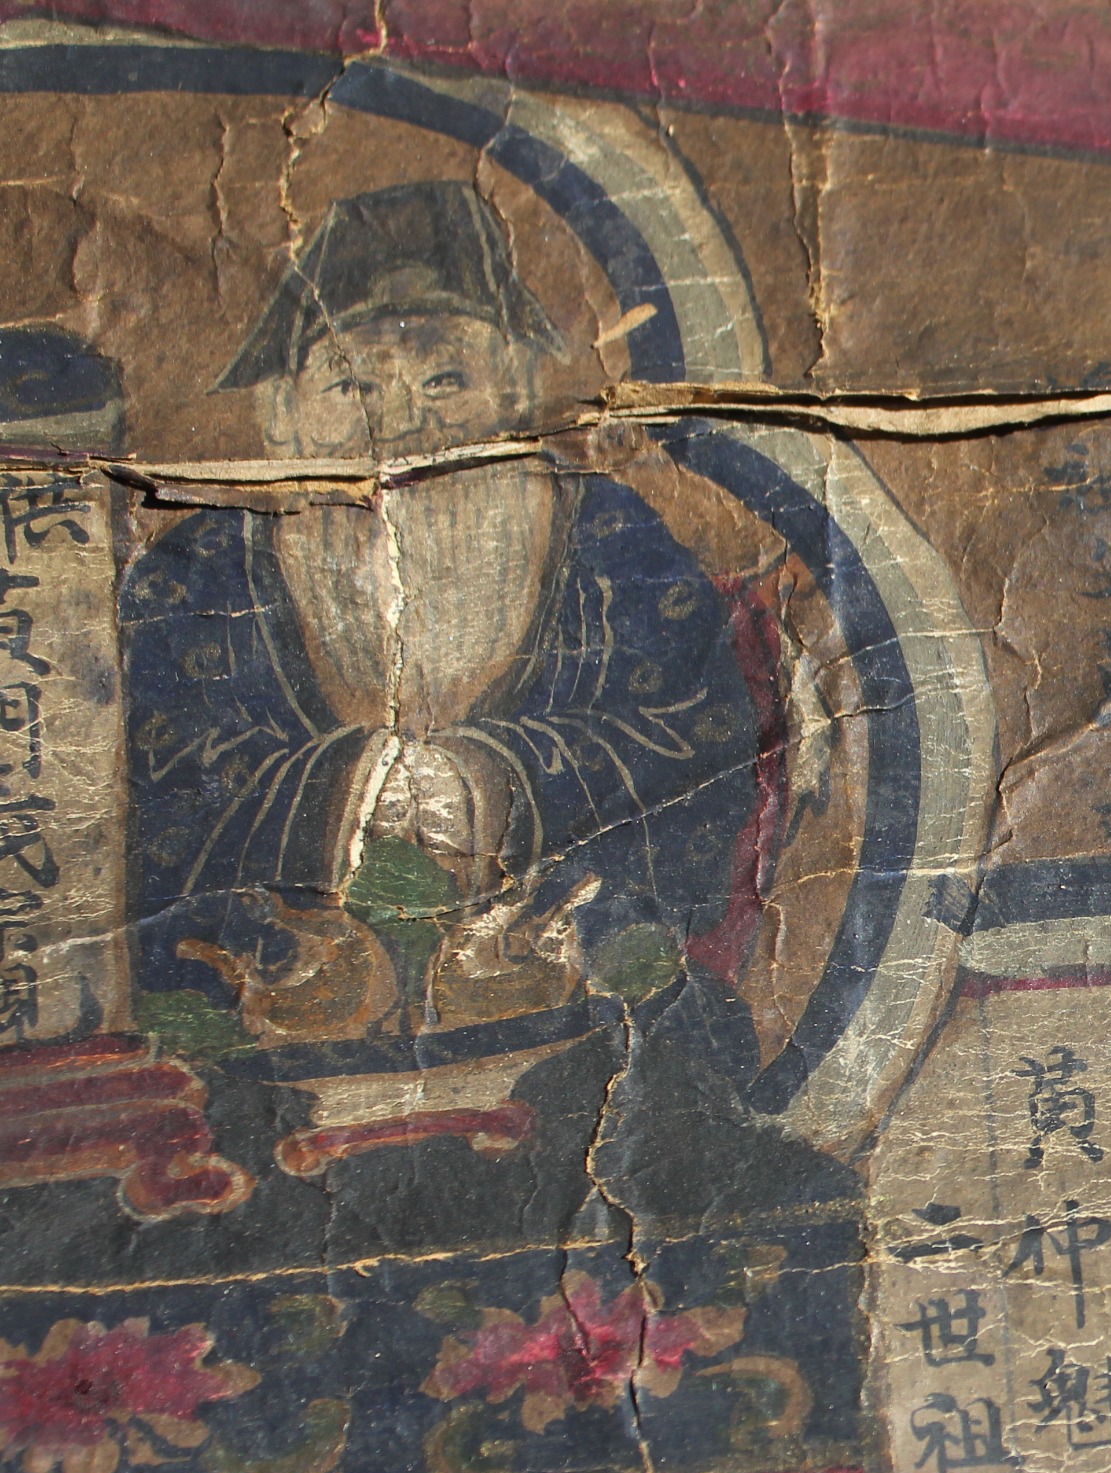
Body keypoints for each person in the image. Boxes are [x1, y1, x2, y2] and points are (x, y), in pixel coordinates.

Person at [123, 180, 761, 1070]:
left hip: (556, 987)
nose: (401, 419)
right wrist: (347, 787)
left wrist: (484, 778)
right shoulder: (197, 572)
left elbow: (702, 738)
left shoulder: (610, 541)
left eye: (445, 379)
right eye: (351, 383)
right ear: (280, 412)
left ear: (517, 391)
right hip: (263, 996)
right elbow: (147, 777)